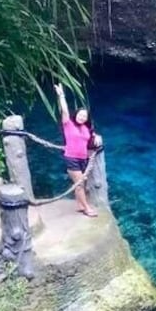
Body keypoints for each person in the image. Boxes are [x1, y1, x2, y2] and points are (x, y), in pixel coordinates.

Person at [54, 83, 101, 217]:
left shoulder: (86, 128)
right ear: (76, 115)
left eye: (84, 116)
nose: (82, 117)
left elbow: (91, 136)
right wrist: (61, 95)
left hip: (83, 159)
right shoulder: (68, 124)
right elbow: (65, 111)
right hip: (72, 158)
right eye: (80, 115)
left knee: (81, 183)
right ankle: (86, 208)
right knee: (79, 184)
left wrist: (96, 136)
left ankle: (80, 204)